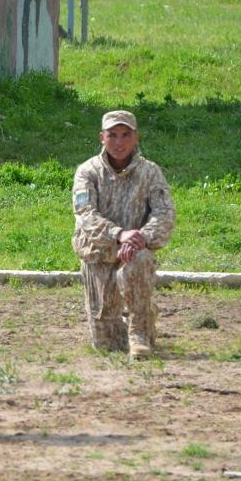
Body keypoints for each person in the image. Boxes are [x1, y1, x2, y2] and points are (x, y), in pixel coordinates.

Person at [72, 110, 176, 358]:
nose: (119, 142)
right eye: (113, 135)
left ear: (136, 137)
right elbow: (85, 214)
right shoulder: (88, 172)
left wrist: (141, 237)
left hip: (135, 254)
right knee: (107, 344)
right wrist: (119, 234)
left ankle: (139, 328)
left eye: (126, 135)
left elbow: (165, 214)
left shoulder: (150, 173)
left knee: (140, 259)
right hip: (99, 254)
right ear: (102, 137)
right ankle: (148, 313)